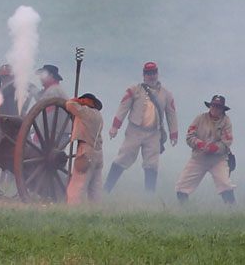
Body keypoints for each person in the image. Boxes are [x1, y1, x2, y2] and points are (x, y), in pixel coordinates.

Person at [104, 61, 179, 194]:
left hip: (154, 133)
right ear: (144, 75)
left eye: (154, 73)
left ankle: (149, 194)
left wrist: (174, 134)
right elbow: (123, 107)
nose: (152, 76)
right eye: (148, 74)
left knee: (152, 164)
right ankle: (107, 189)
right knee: (123, 157)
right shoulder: (134, 90)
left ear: (157, 74)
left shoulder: (167, 94)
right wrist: (115, 127)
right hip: (135, 130)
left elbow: (171, 114)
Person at [176, 95, 235, 205]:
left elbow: (227, 141)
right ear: (210, 106)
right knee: (182, 185)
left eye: (218, 107)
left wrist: (214, 148)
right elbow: (190, 136)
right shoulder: (199, 118)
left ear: (222, 109)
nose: (215, 109)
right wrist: (198, 143)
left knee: (225, 184)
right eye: (213, 106)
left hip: (218, 160)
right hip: (199, 158)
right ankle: (183, 210)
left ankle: (232, 210)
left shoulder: (226, 122)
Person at [65, 93, 104, 204]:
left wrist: (79, 101)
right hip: (98, 153)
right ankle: (96, 211)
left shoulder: (85, 112)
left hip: (86, 152)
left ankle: (73, 212)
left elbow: (69, 104)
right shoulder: (98, 115)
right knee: (95, 187)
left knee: (77, 186)